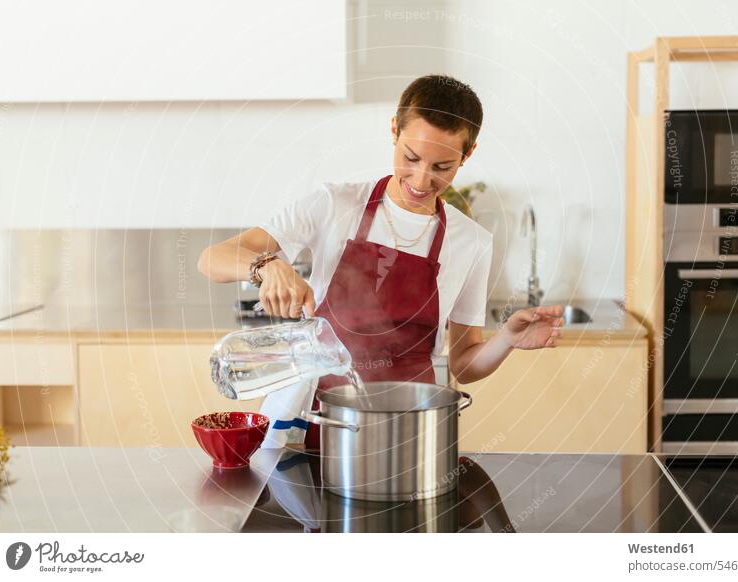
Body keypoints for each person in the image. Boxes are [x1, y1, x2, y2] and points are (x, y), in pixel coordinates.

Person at [198, 74, 563, 450]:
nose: (421, 179)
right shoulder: (335, 205)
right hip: (319, 421)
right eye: (411, 157)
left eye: (442, 167)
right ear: (394, 130)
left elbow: (465, 365)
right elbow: (212, 259)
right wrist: (268, 265)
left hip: (410, 434)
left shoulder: (471, 242)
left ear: (467, 156)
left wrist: (506, 340)